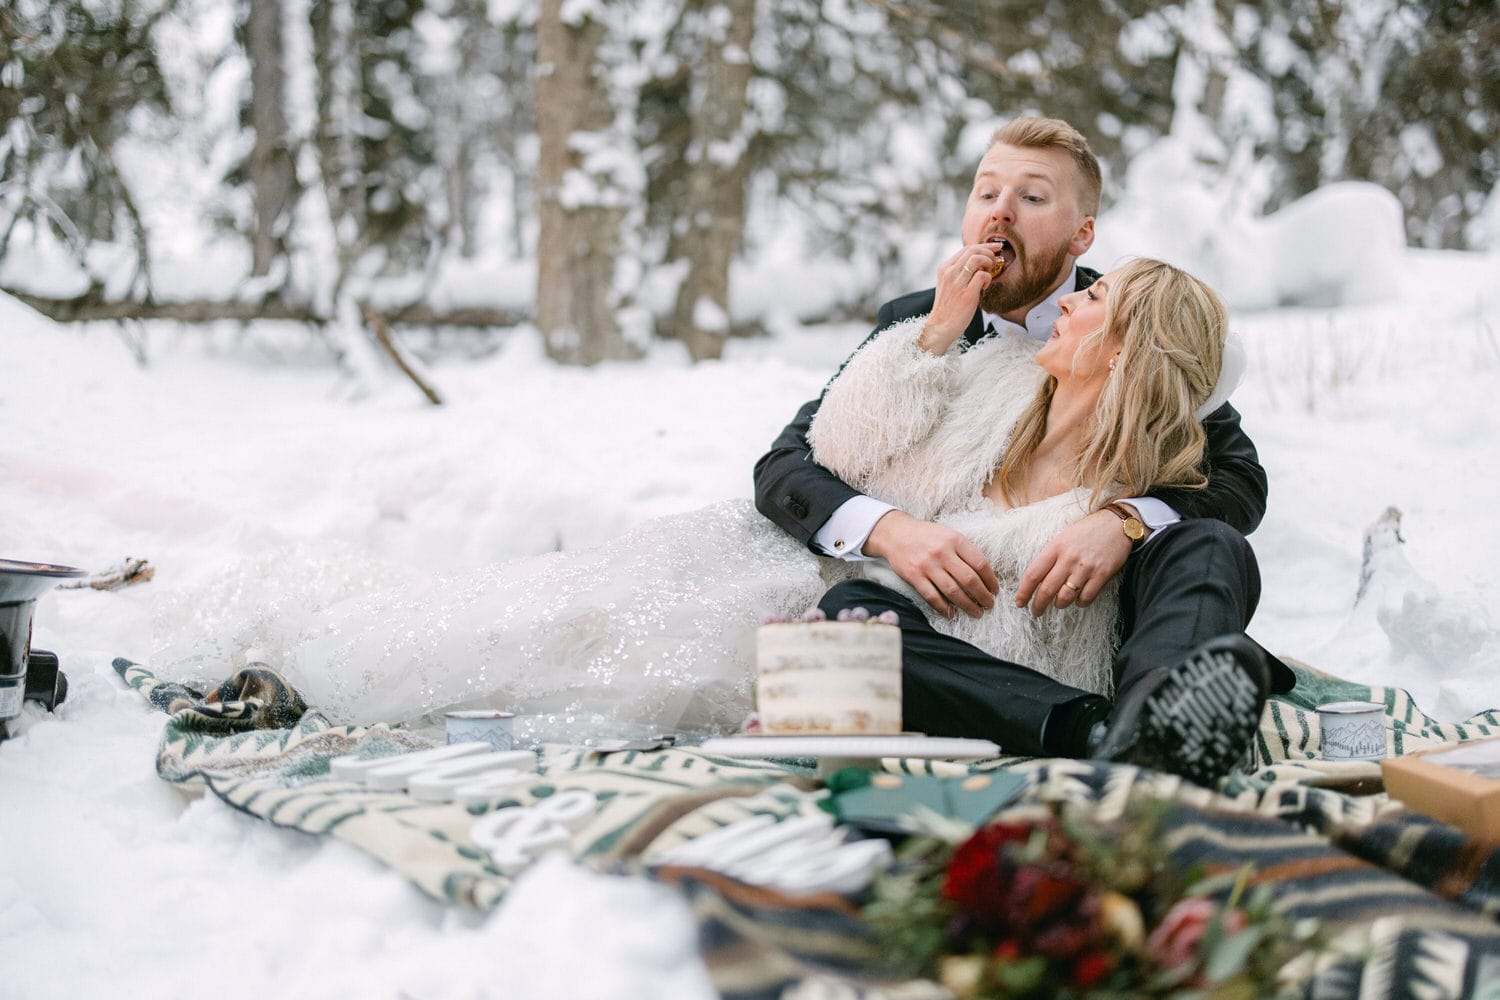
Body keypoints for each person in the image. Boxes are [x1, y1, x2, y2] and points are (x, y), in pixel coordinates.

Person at [754, 117, 1294, 786]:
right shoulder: (914, 322)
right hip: (953, 604)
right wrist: (891, 532)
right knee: (848, 626)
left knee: (1208, 543)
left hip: (1088, 603)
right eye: (986, 193)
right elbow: (789, 468)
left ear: (1082, 233)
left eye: (1032, 198)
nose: (1001, 212)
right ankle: (1106, 733)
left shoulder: (1140, 314)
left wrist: (1123, 520)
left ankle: (1161, 710)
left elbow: (1237, 478)